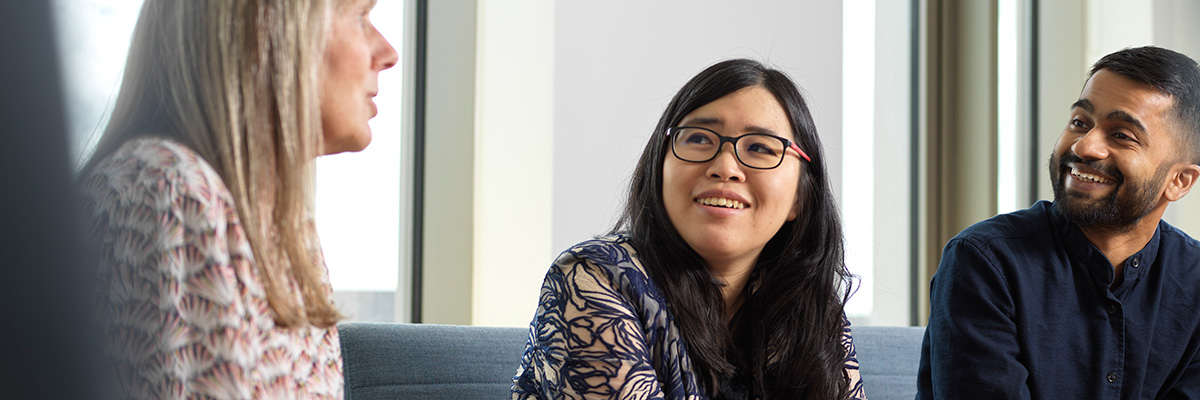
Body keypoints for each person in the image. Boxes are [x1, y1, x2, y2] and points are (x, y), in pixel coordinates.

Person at [77, 0, 397, 398]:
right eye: (360, 16)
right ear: (268, 27)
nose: (389, 53)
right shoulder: (169, 192)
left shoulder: (284, 227)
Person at [512, 59, 865, 399]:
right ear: (659, 165)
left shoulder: (812, 307)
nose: (725, 166)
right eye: (698, 139)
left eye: (759, 147)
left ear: (799, 198)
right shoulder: (592, 279)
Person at [917, 46, 1200, 399]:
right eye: (1080, 123)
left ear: (1180, 181)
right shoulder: (985, 262)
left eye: (1122, 135)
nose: (1085, 147)